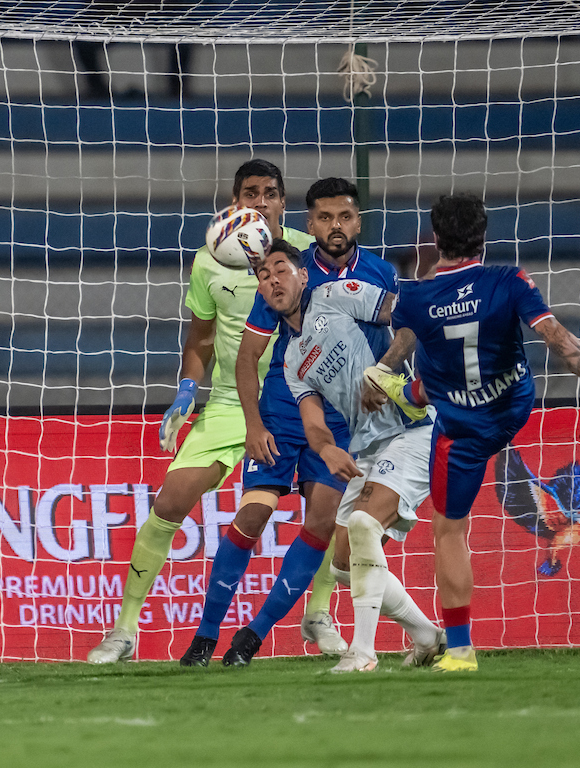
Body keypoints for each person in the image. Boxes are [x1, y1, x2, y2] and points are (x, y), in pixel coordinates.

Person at [364, 192, 580, 672]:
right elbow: (557, 338)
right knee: (460, 366)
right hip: (513, 406)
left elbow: (399, 327)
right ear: (483, 237)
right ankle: (416, 390)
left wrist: (380, 368)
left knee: (448, 531)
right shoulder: (509, 280)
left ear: (436, 239)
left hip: (462, 430)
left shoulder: (414, 297)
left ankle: (460, 651)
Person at [86, 159, 335, 664]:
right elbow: (199, 339)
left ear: (282, 203)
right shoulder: (209, 259)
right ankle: (125, 629)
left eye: (270, 193)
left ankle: (319, 614)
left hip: (300, 398)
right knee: (171, 501)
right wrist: (185, 390)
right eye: (250, 193)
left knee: (327, 504)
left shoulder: (306, 254)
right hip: (228, 402)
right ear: (235, 201)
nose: (260, 201)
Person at [186, 177, 395, 668]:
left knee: (321, 522)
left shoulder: (380, 273)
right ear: (311, 224)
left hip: (344, 418)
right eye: (324, 217)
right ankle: (205, 635)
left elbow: (405, 327)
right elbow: (247, 356)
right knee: (252, 515)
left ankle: (252, 637)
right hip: (286, 405)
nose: (335, 226)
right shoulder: (286, 273)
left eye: (344, 216)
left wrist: (386, 379)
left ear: (357, 222)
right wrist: (253, 425)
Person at [255, 241, 446, 672]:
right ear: (261, 292)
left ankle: (362, 653)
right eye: (264, 277)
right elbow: (314, 423)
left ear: (303, 275)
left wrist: (384, 370)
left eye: (281, 269)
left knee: (363, 524)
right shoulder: (291, 359)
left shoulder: (336, 294)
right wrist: (326, 448)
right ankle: (426, 635)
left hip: (414, 428)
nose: (273, 280)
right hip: (368, 448)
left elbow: (412, 316)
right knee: (343, 565)